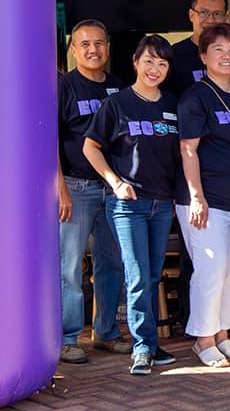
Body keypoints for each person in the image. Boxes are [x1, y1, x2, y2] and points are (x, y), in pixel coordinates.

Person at [82, 34, 180, 375]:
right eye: (149, 61)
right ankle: (141, 347)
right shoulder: (117, 104)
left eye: (162, 63)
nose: (155, 69)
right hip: (128, 205)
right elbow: (90, 147)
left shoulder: (172, 104)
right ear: (135, 62)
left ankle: (150, 344)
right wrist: (115, 181)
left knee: (152, 276)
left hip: (162, 204)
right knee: (137, 276)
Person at [175, 23, 230, 368]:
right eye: (218, 49)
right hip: (205, 199)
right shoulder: (196, 96)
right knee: (209, 270)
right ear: (203, 56)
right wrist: (197, 196)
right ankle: (203, 339)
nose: (227, 56)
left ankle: (222, 333)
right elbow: (188, 149)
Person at [58, 19, 130, 364]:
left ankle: (105, 332)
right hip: (76, 186)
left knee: (111, 262)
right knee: (69, 265)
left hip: (112, 188)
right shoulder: (63, 86)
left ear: (108, 47)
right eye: (85, 44)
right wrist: (60, 187)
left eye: (99, 43)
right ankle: (68, 337)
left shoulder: (118, 88)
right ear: (74, 49)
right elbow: (49, 142)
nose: (93, 50)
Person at [166, 0, 230, 98]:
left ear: (226, 18)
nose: (210, 20)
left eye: (217, 14)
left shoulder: (228, 56)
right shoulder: (175, 54)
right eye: (204, 12)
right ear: (191, 15)